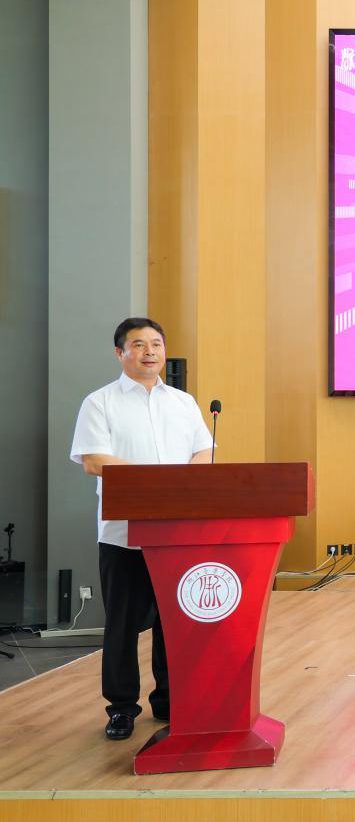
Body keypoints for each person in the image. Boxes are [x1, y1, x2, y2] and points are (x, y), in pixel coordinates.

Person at [70, 317, 214, 740]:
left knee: (174, 621)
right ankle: (121, 707)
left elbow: (204, 451)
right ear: (120, 353)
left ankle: (169, 699)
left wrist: (183, 481)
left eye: (156, 344)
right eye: (138, 345)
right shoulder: (100, 402)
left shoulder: (183, 402)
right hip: (123, 535)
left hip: (177, 534)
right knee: (122, 624)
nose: (149, 352)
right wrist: (157, 481)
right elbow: (94, 460)